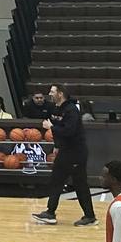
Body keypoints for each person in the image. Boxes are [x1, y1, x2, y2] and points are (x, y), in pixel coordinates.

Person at [30, 84, 94, 226]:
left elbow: (68, 131)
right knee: (56, 180)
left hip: (76, 152)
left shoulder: (71, 110)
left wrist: (51, 127)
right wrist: (57, 146)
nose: (49, 94)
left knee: (79, 184)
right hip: (65, 151)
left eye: (52, 92)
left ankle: (89, 216)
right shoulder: (55, 109)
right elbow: (58, 133)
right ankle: (50, 212)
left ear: (60, 94)